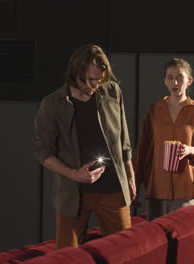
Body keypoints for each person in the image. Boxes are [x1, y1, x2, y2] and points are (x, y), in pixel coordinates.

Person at [34, 44, 136, 249]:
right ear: (75, 73)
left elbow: (124, 141)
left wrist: (131, 178)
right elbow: (43, 152)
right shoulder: (53, 104)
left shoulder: (112, 91)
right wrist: (73, 174)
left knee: (126, 253)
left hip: (113, 189)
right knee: (67, 257)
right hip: (74, 194)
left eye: (100, 79)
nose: (96, 84)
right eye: (90, 79)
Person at [133, 58, 194, 221]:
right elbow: (142, 150)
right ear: (164, 81)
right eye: (170, 77)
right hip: (157, 186)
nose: (175, 82)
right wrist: (134, 185)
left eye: (180, 77)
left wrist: (191, 150)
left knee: (182, 237)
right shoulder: (154, 111)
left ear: (189, 81)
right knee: (156, 240)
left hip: (186, 187)